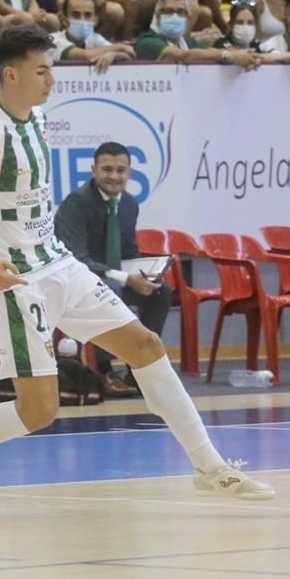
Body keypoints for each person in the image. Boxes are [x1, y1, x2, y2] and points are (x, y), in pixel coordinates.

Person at [0, 23, 275, 517]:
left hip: (59, 265)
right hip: (16, 282)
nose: (52, 79)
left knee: (145, 346)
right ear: (11, 74)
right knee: (39, 411)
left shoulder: (36, 117)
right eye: (42, 70)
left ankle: (210, 466)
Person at [55, 142, 174, 397]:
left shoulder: (129, 203)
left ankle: (139, 368)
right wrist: (125, 278)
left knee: (160, 291)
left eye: (121, 170)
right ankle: (103, 369)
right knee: (108, 289)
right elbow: (76, 259)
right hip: (77, 280)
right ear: (93, 170)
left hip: (116, 277)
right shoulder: (76, 202)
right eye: (107, 169)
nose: (114, 176)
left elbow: (129, 252)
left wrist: (147, 273)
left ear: (130, 172)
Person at [135, 0, 261, 68]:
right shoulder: (148, 41)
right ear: (158, 16)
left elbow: (211, 52)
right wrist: (229, 55)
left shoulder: (188, 43)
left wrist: (277, 57)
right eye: (168, 11)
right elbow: (183, 56)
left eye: (180, 12)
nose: (174, 16)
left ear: (187, 18)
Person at [50, 0, 133, 72]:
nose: (82, 19)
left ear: (95, 20)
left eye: (88, 15)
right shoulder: (54, 41)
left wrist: (114, 55)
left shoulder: (94, 38)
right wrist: (120, 47)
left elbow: (130, 54)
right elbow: (86, 56)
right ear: (64, 19)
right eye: (76, 15)